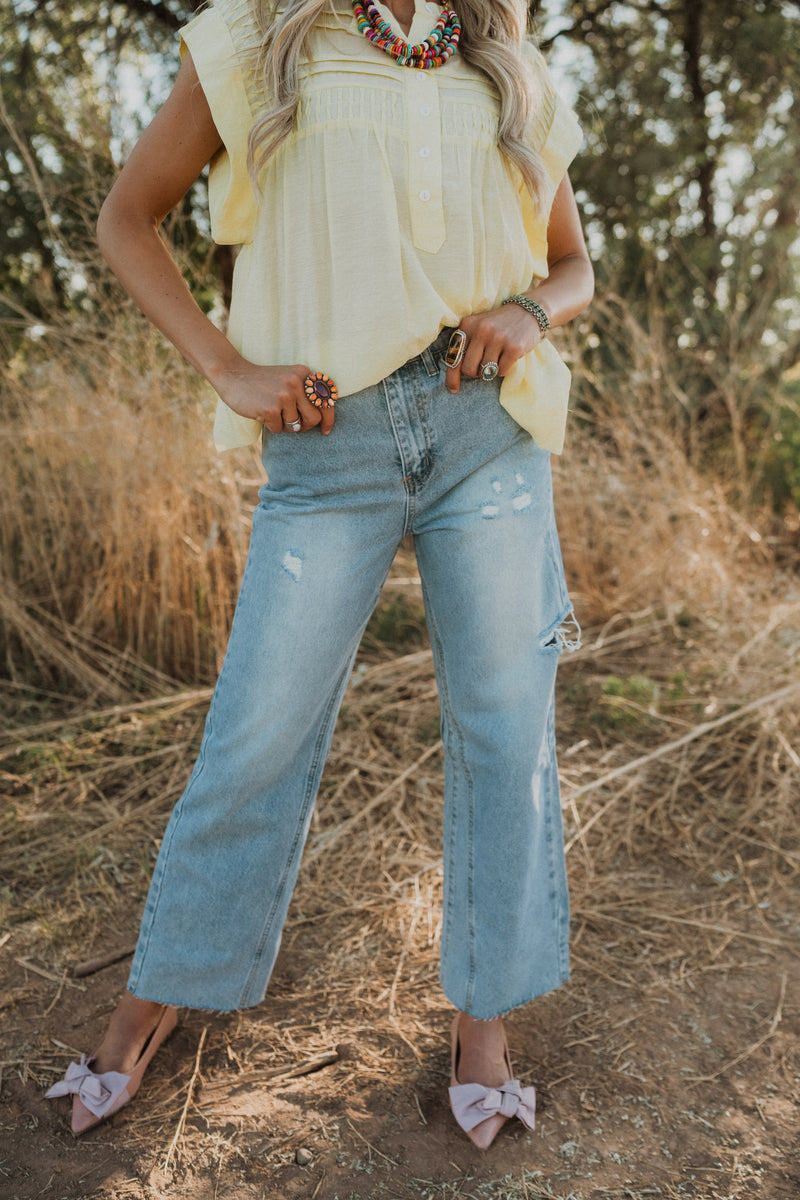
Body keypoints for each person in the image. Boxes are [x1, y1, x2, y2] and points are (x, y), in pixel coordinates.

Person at [46, 0, 593, 1150]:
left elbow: (570, 265)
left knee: (505, 730)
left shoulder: (507, 60)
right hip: (325, 438)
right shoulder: (258, 35)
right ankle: (152, 1002)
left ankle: (483, 1024)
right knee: (257, 731)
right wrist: (225, 368)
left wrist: (525, 310)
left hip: (486, 433)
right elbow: (126, 220)